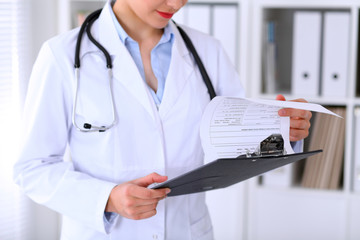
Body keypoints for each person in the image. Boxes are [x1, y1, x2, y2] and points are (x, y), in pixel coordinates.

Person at [13, 0, 312, 239]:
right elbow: (33, 168)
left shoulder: (208, 51)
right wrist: (107, 198)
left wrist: (282, 131)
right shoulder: (61, 55)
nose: (177, 3)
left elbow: (237, 145)